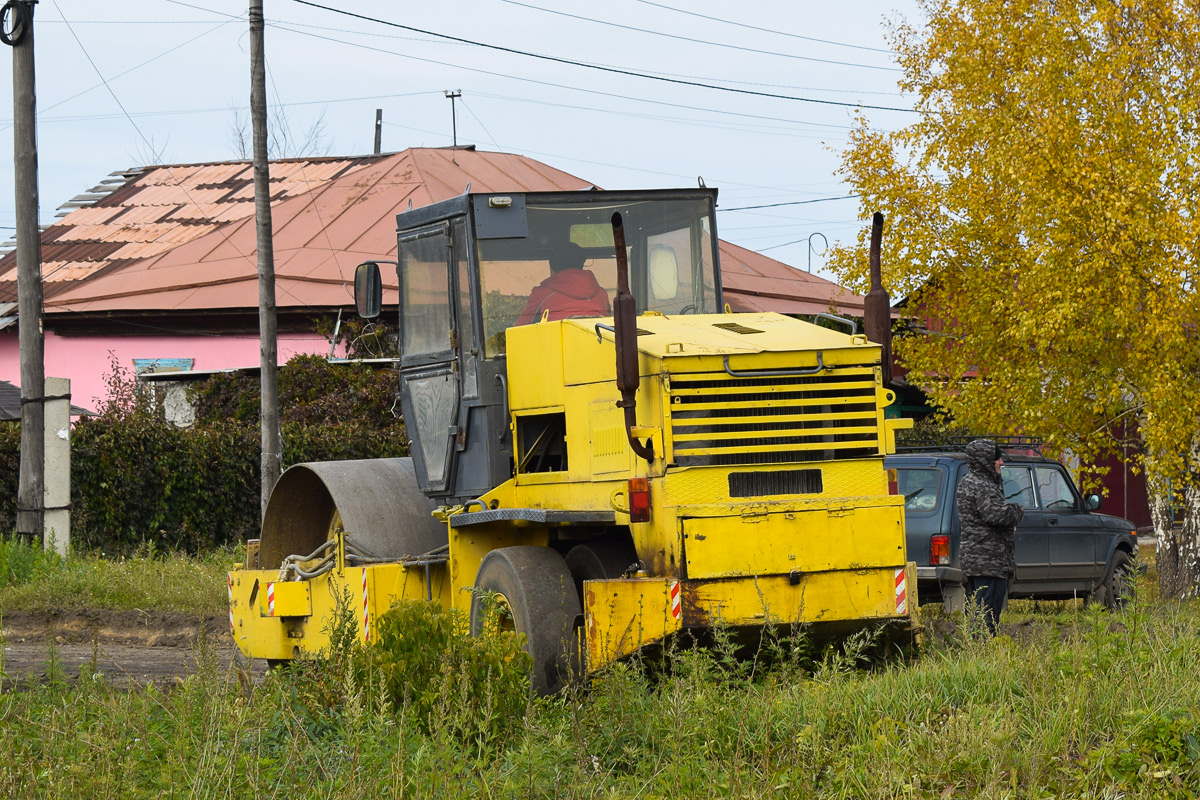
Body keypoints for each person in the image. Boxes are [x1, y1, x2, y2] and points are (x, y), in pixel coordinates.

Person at [956, 438, 1024, 636]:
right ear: (986, 461)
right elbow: (996, 514)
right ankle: (983, 652)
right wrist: (1017, 511)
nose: (1001, 462)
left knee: (979, 610)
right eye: (997, 458)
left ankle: (978, 649)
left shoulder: (968, 481)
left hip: (976, 560)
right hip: (989, 561)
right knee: (988, 614)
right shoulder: (982, 485)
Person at [515, 242, 611, 325]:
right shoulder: (601, 294)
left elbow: (517, 333)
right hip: (596, 346)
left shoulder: (541, 295)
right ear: (581, 263)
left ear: (552, 266)